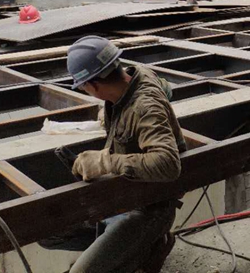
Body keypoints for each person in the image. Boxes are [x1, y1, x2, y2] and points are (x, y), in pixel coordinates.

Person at [66, 36, 186, 273]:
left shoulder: (144, 106)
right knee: (50, 235)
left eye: (82, 87)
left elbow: (168, 164)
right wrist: (116, 115)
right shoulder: (136, 75)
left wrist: (105, 162)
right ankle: (134, 252)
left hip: (149, 206)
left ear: (94, 86)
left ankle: (147, 247)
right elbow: (166, 88)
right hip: (124, 194)